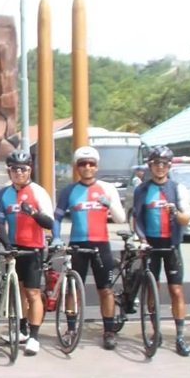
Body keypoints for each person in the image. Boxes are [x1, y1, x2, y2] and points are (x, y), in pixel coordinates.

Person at [53, 146, 126, 350]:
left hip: (101, 244)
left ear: (97, 166)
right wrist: (57, 237)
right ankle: (71, 328)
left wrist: (109, 204)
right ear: (77, 167)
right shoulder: (69, 191)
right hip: (78, 244)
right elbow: (56, 217)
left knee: (106, 290)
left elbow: (121, 218)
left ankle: (109, 331)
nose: (87, 167)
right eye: (83, 164)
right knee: (73, 290)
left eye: (91, 164)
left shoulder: (107, 188)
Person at [132, 145, 190, 356]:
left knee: (176, 290)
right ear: (150, 165)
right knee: (152, 289)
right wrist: (142, 239)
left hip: (171, 245)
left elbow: (186, 218)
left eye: (164, 164)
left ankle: (180, 336)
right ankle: (155, 331)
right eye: (156, 163)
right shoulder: (142, 189)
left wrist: (175, 212)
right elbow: (137, 219)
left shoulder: (177, 188)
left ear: (169, 166)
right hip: (152, 245)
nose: (160, 167)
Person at [0, 149, 54, 356]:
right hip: (14, 248)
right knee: (18, 293)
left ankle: (35, 337)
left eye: (23, 169)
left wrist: (34, 213)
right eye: (15, 169)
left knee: (33, 292)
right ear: (9, 171)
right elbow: (0, 223)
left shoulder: (38, 192)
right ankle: (22, 329)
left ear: (30, 170)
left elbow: (50, 222)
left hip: (34, 248)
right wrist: (6, 245)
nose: (19, 173)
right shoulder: (3, 194)